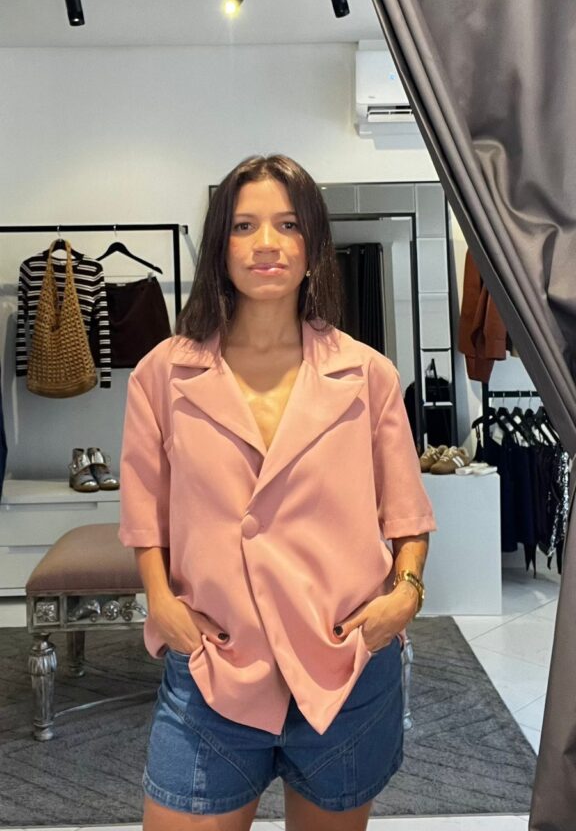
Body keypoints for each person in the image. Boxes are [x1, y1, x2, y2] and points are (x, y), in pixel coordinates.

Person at [119, 154, 436, 831]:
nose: (266, 243)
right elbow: (145, 515)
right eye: (244, 226)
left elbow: (408, 516)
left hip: (345, 669)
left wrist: (405, 597)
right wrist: (162, 604)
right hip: (214, 666)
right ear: (219, 246)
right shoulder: (162, 375)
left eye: (288, 225)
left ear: (314, 247)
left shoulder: (369, 376)